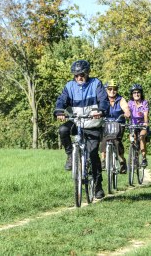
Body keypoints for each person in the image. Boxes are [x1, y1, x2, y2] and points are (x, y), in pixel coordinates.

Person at [54, 60, 110, 199]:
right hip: (77, 122)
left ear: (87, 73)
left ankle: (97, 187)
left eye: (82, 74)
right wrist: (59, 111)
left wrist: (101, 110)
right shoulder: (69, 86)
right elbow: (62, 100)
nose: (79, 77)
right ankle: (70, 156)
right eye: (76, 75)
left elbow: (104, 100)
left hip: (93, 124)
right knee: (63, 130)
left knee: (92, 155)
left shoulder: (96, 83)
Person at [100, 79, 131, 174]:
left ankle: (122, 161)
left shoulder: (120, 99)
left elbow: (126, 107)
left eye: (115, 89)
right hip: (106, 123)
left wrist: (127, 112)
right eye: (110, 89)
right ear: (106, 90)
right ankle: (103, 160)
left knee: (117, 141)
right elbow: (98, 108)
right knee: (103, 140)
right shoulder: (103, 100)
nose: (112, 91)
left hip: (118, 124)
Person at [127, 84, 150, 167]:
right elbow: (127, 111)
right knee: (132, 139)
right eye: (134, 92)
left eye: (138, 92)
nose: (136, 94)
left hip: (142, 124)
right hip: (133, 125)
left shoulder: (144, 102)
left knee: (141, 136)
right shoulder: (130, 103)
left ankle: (144, 158)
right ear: (132, 94)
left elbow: (145, 114)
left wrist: (146, 122)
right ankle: (135, 157)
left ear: (141, 93)